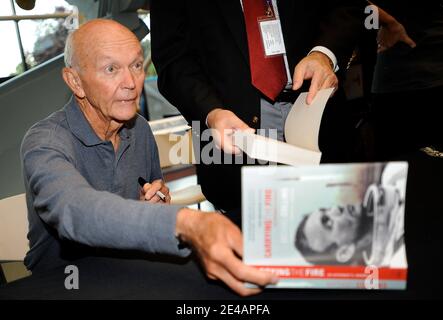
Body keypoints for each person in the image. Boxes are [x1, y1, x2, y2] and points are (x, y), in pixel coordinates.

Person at [20, 19, 277, 296]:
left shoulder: (139, 129)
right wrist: (185, 222)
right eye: (111, 69)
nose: (131, 83)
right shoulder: (45, 142)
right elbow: (74, 210)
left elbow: (152, 196)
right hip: (66, 281)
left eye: (136, 65)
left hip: (126, 271)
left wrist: (155, 203)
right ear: (75, 81)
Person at [150, 0, 364, 224]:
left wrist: (324, 54)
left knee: (339, 234)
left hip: (319, 113)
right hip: (234, 132)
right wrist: (211, 111)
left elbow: (349, 5)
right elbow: (172, 59)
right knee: (254, 246)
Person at [369, 1, 443, 160]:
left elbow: (353, 6)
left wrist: (387, 21)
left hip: (408, 73)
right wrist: (387, 21)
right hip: (397, 73)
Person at [295, 163, 406, 266]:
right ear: (345, 252)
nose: (336, 208)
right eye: (328, 222)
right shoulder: (402, 262)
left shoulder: (392, 174)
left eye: (327, 209)